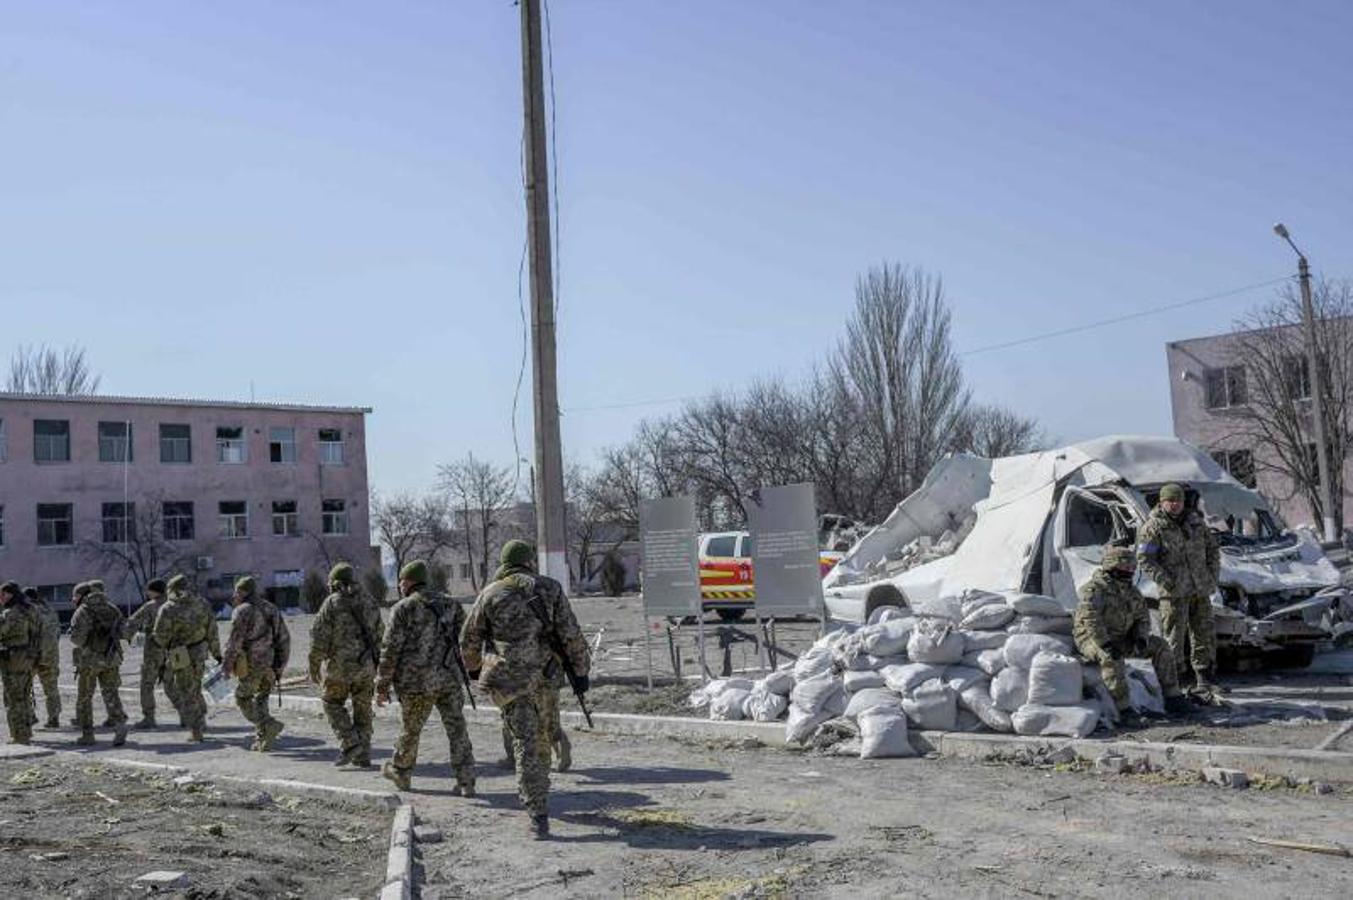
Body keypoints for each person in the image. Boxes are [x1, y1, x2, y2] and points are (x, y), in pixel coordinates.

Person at [461, 540, 590, 840]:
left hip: (510, 682)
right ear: (529, 561)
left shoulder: (490, 593)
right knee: (542, 740)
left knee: (525, 743)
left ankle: (537, 813)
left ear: (504, 563)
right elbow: (571, 634)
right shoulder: (551, 588)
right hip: (546, 678)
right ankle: (538, 803)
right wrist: (581, 671)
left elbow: (468, 639)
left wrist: (474, 669)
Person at [376, 560, 476, 794]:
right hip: (449, 680)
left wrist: (381, 686)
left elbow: (390, 650)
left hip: (416, 683)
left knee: (410, 729)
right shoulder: (451, 605)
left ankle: (401, 772)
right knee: (456, 728)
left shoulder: (403, 609)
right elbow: (466, 641)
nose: (400, 585)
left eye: (401, 581)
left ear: (409, 581)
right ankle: (467, 779)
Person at [1074, 545, 1191, 727]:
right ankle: (1124, 710)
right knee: (1111, 657)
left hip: (1121, 637)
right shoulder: (1094, 590)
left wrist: (1141, 638)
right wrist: (1105, 644)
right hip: (1092, 639)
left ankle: (1173, 696)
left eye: (1132, 569)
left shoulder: (1132, 592)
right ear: (1112, 567)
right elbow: (1091, 620)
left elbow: (1142, 618)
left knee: (1161, 646)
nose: (1130, 572)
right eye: (1125, 568)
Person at [1136, 482, 1222, 702]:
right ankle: (1174, 685)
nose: (1175, 505)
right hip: (1173, 594)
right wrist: (1166, 581)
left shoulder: (1196, 523)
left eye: (1178, 501)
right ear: (1162, 502)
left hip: (1200, 590)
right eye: (1170, 501)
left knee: (1204, 634)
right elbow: (1145, 559)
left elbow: (1212, 549)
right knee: (1174, 637)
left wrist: (1212, 576)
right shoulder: (1154, 527)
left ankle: (1204, 681)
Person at [310, 562, 384, 768]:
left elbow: (319, 637)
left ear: (335, 583)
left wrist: (314, 664)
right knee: (363, 708)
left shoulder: (332, 603)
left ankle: (350, 744)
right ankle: (364, 753)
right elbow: (380, 635)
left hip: (339, 668)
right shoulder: (370, 601)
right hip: (366, 666)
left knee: (331, 703)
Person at [222, 576, 289, 751]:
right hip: (270, 663)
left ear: (242, 591)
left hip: (251, 664)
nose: (234, 594)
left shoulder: (242, 611)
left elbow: (234, 642)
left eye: (236, 591)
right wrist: (280, 665)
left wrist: (226, 667)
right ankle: (263, 739)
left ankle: (268, 724)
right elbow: (284, 638)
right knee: (261, 699)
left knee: (243, 697)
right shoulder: (271, 608)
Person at [152, 574, 215, 743]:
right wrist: (216, 652)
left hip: (179, 653)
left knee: (185, 691)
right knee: (196, 686)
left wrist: (165, 645)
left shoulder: (168, 608)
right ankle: (201, 720)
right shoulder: (202, 603)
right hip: (200, 650)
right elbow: (212, 630)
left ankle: (196, 730)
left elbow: (160, 635)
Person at [69, 580, 129, 747]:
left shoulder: (82, 611)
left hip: (89, 661)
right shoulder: (112, 608)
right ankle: (119, 725)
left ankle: (87, 735)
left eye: (75, 596)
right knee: (111, 693)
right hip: (111, 658)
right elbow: (124, 632)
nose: (74, 600)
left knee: (85, 697)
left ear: (81, 595)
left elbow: (77, 639)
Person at [0, 581, 42, 744]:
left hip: (14, 659)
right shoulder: (31, 610)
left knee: (14, 698)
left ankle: (20, 736)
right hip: (29, 658)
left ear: (9, 594)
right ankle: (26, 731)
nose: (1, 599)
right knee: (24, 696)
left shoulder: (12, 613)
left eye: (2, 595)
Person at [125, 579, 170, 729]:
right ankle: (186, 715)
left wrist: (125, 634)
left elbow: (133, 621)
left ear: (154, 591)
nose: (147, 593)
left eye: (148, 590)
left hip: (153, 651)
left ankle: (149, 717)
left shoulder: (151, 606)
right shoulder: (173, 605)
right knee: (172, 684)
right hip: (173, 651)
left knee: (147, 684)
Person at [25, 587, 62, 729]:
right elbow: (57, 632)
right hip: (51, 655)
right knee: (51, 688)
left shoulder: (28, 611)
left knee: (24, 687)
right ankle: (54, 718)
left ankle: (30, 716)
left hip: (33, 656)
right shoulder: (51, 611)